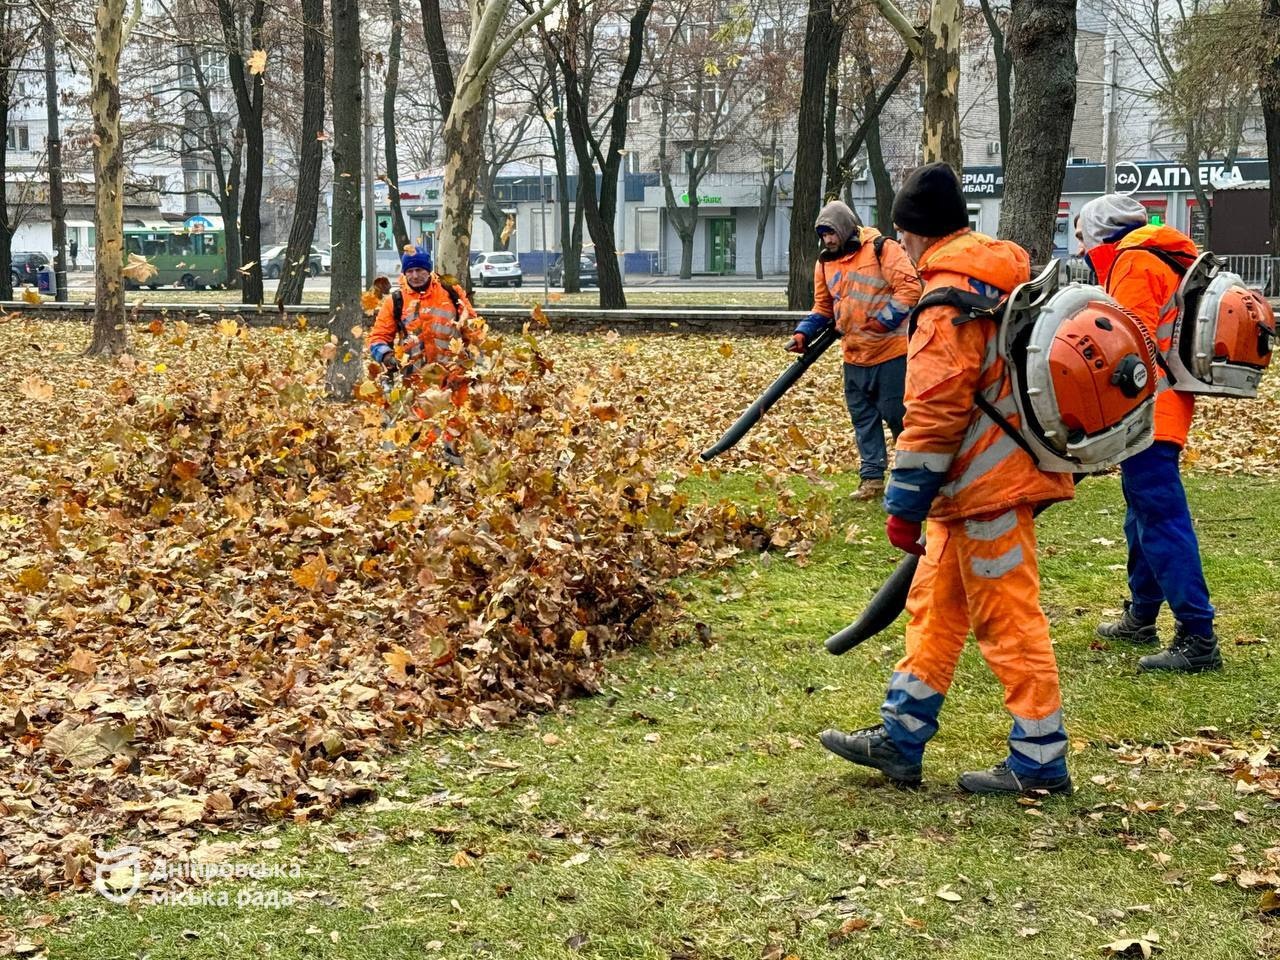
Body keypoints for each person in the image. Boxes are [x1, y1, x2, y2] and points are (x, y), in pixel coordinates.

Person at [819, 162, 1076, 795]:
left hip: (985, 487)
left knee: (1008, 620)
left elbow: (932, 413)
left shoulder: (943, 304)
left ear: (913, 232)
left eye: (903, 234)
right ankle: (900, 738)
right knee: (933, 609)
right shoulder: (1001, 273)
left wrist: (903, 504)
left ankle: (1040, 760)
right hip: (980, 484)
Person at [1077, 195, 1220, 672]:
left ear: (1101, 234)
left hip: (1148, 407)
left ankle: (1198, 635)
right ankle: (1141, 615)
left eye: (1082, 237)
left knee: (1160, 518)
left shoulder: (1133, 261)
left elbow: (1124, 344)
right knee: (1142, 513)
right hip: (1165, 402)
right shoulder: (1159, 252)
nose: (1080, 250)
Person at [789, 200, 921, 501]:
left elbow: (910, 289)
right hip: (854, 355)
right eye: (823, 235)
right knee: (863, 420)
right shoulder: (825, 262)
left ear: (846, 228)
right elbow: (823, 307)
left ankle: (910, 479)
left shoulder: (881, 249)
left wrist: (884, 322)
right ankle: (872, 479)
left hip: (891, 352)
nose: (828, 240)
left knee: (899, 417)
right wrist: (803, 332)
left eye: (831, 233)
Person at [368, 246, 482, 456]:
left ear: (428, 270)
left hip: (453, 376)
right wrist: (387, 355)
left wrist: (475, 358)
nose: (415, 275)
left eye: (420, 270)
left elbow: (472, 327)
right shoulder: (396, 300)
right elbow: (377, 339)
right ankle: (415, 472)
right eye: (409, 271)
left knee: (455, 429)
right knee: (416, 432)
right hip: (416, 377)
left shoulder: (450, 292)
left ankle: (453, 472)